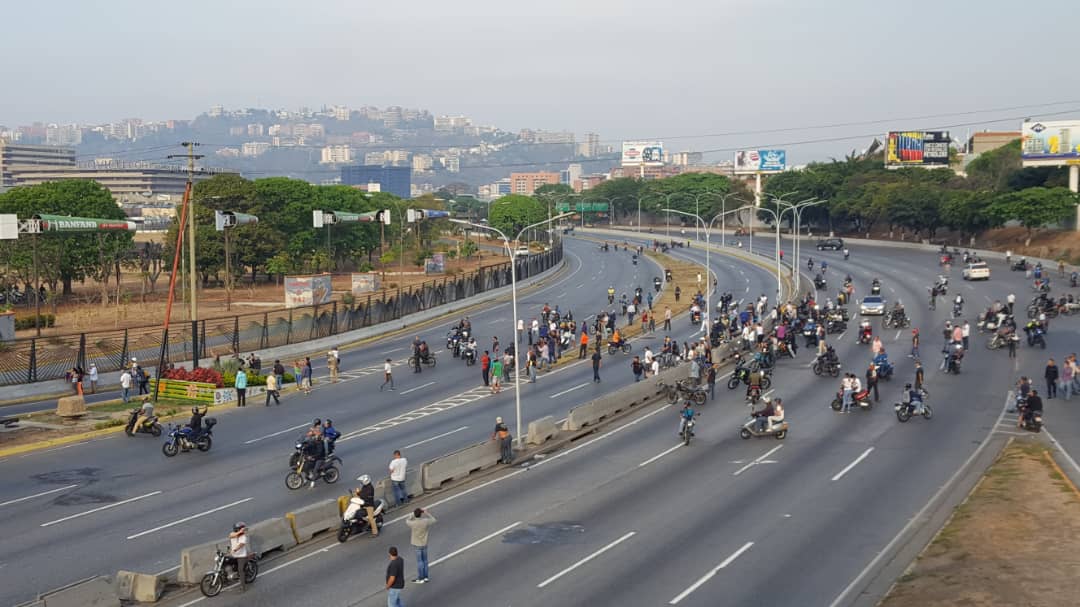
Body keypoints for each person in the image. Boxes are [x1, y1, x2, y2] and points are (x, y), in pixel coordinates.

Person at [406, 508, 436, 584]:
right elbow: (433, 519)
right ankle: (426, 577)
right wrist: (426, 512)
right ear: (421, 514)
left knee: (420, 562)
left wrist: (413, 513)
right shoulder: (425, 521)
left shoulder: (412, 523)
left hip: (417, 544)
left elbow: (407, 520)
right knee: (425, 561)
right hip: (424, 543)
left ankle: (420, 578)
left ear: (415, 515)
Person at [229, 522, 250, 593]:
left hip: (241, 556)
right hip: (234, 555)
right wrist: (240, 532)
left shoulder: (243, 537)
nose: (236, 530)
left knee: (240, 570)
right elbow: (231, 535)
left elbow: (241, 545)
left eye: (237, 529)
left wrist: (234, 550)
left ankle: (243, 587)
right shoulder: (233, 534)